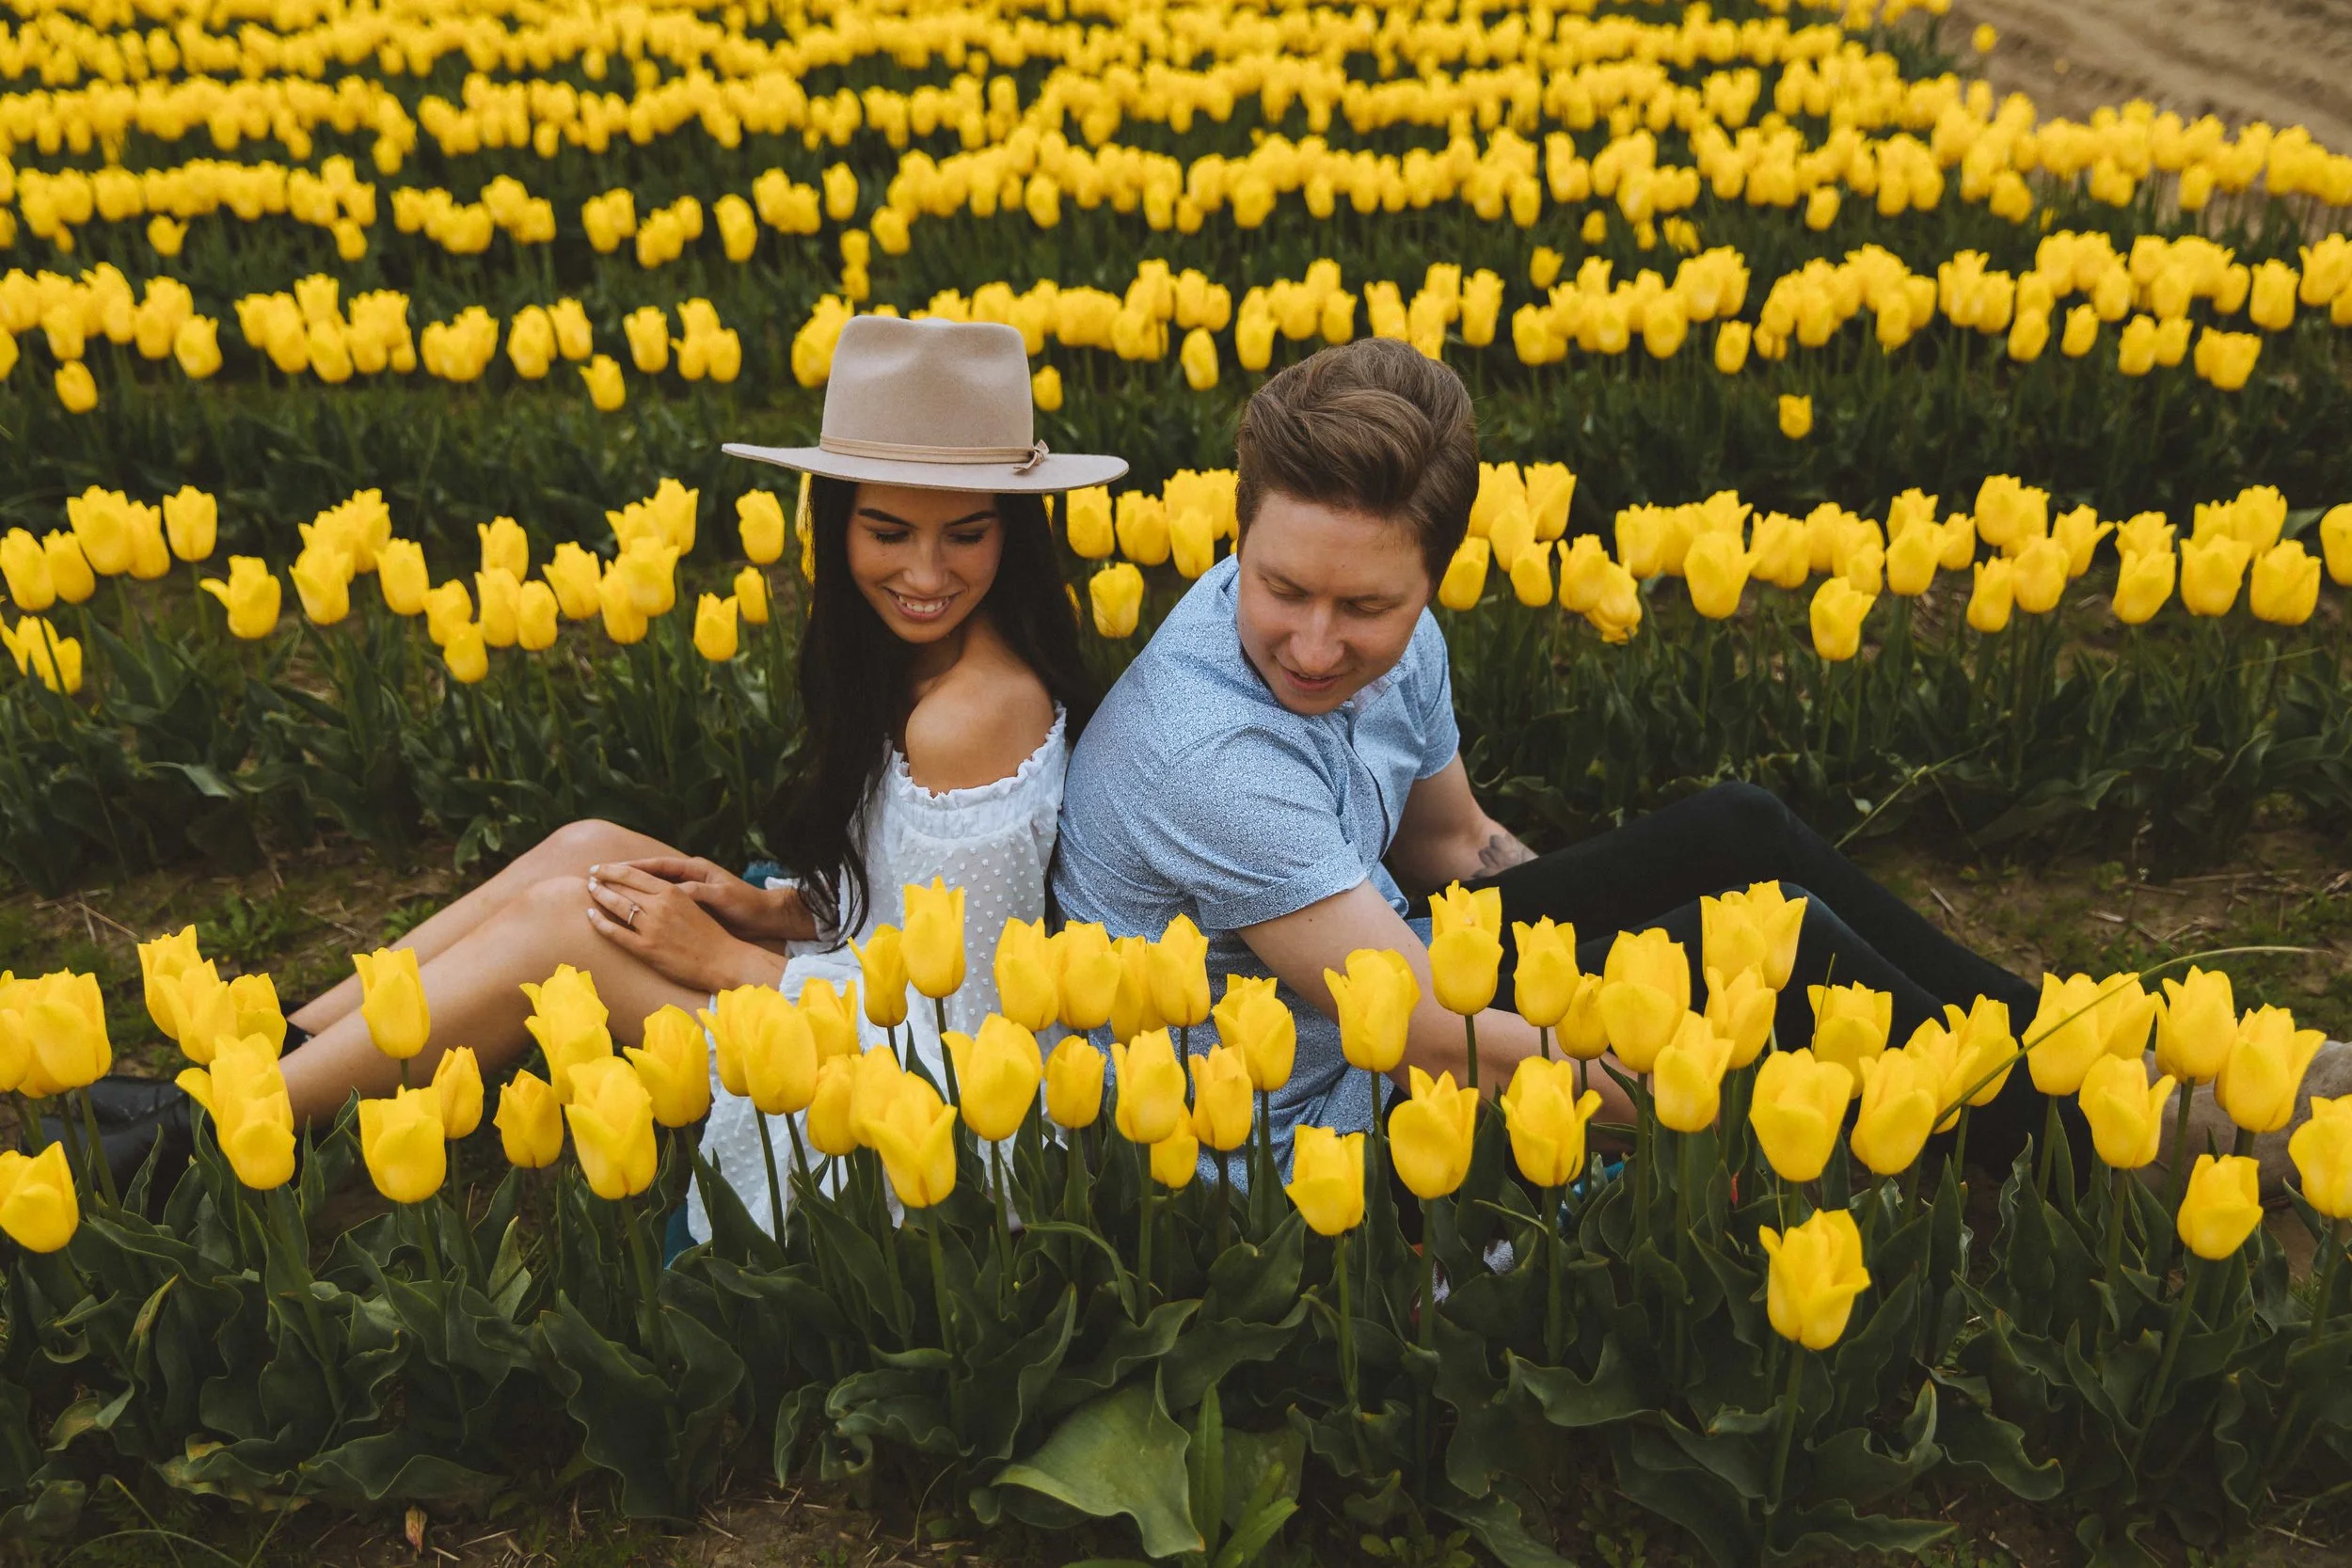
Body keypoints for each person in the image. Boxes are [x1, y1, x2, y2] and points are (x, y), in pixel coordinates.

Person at [93, 315, 1124, 1237]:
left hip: (920, 1110)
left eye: (966, 534)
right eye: (888, 532)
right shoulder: (927, 656)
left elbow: (952, 1027)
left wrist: (725, 960)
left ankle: (210, 1128)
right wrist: (774, 911)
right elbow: (924, 906)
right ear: (839, 517)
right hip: (854, 1008)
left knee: (563, 929)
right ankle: (264, 1056)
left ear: (1013, 529)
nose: (926, 574)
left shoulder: (973, 713)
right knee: (587, 848)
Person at [1053, 336, 2053, 1180]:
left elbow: (1456, 842)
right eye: (1282, 589)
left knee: (1737, 835)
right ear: (1240, 536)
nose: (1314, 646)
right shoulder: (1211, 757)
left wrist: (1610, 954)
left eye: (1365, 606)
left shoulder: (1398, 642)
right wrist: (1712, 1096)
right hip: (1294, 1133)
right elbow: (1431, 1043)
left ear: (1434, 576)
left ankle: (2053, 1040)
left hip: (1395, 982)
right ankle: (2055, 1145)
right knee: (1768, 949)